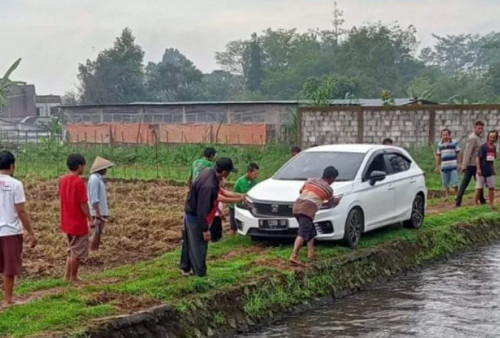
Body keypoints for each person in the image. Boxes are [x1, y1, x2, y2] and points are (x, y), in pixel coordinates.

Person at [180, 158, 237, 277]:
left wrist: (240, 197)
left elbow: (220, 194)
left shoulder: (209, 172)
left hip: (190, 212)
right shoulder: (209, 185)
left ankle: (185, 269)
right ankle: (200, 275)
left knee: (190, 243)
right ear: (224, 172)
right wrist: (205, 230)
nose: (229, 175)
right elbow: (202, 210)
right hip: (196, 217)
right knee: (199, 246)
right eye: (229, 172)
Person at [0, 151, 36, 307]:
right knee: (9, 267)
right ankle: (8, 300)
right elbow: (21, 210)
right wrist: (31, 233)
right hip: (10, 231)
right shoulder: (16, 184)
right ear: (12, 166)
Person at [289, 166, 340, 266]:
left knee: (311, 231)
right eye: (334, 179)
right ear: (331, 178)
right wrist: (337, 200)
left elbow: (301, 191)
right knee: (302, 233)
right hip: (307, 210)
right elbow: (332, 201)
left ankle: (311, 253)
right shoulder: (328, 189)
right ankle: (294, 256)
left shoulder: (310, 180)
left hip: (297, 206)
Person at [59, 154, 92, 283]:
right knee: (77, 253)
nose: (84, 167)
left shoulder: (62, 180)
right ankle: (73, 277)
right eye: (84, 165)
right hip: (77, 223)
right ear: (79, 166)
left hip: (66, 222)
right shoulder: (79, 182)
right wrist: (90, 219)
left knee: (71, 250)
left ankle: (67, 276)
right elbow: (83, 203)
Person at [456, 121, 486, 207]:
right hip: (471, 165)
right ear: (474, 128)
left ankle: (482, 199)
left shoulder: (478, 138)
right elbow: (467, 152)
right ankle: (458, 200)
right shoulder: (473, 138)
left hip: (477, 165)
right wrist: (464, 166)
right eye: (479, 128)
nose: (481, 130)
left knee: (479, 183)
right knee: (465, 183)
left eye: (482, 129)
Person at [88, 156, 114, 251]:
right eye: (105, 168)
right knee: (97, 231)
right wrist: (98, 213)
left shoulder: (97, 179)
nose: (106, 170)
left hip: (99, 210)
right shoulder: (94, 179)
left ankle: (95, 248)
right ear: (101, 169)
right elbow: (94, 198)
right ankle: (93, 249)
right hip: (97, 211)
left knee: (99, 231)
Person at [229, 163, 260, 235]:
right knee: (234, 227)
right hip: (236, 206)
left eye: (257, 174)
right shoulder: (241, 181)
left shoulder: (254, 181)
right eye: (255, 174)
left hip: (245, 206)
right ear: (249, 172)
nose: (256, 176)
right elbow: (246, 195)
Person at [435, 129, 461, 201]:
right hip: (444, 166)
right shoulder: (439, 144)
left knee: (455, 181)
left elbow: (458, 153)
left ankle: (456, 195)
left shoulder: (455, 143)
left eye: (446, 135)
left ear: (449, 135)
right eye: (443, 135)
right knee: (445, 183)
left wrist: (459, 163)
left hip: (453, 166)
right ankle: (447, 196)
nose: (445, 136)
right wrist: (437, 166)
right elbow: (438, 156)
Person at [475, 130, 498, 208]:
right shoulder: (483, 146)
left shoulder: (494, 147)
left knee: (492, 188)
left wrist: (493, 169)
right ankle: (475, 204)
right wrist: (478, 169)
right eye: (491, 137)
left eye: (494, 137)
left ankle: (491, 204)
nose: (492, 139)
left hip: (489, 171)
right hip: (481, 170)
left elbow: (492, 160)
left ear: (496, 138)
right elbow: (478, 158)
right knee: (479, 188)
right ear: (488, 137)